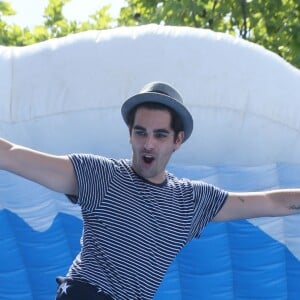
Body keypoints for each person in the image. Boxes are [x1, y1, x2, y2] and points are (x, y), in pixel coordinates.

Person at [1, 81, 300, 300]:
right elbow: (13, 154)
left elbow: (270, 202)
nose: (148, 144)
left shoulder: (192, 200)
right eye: (140, 132)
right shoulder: (100, 175)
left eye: (160, 135)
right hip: (86, 292)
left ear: (177, 140)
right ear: (130, 135)